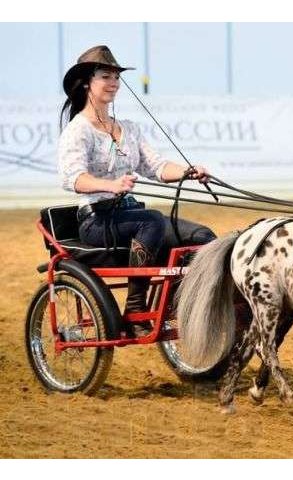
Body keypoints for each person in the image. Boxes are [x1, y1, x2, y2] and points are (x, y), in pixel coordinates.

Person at [58, 45, 216, 331]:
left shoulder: (128, 128)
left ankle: (175, 303)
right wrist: (111, 185)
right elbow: (73, 178)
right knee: (153, 221)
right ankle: (134, 308)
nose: (114, 82)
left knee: (203, 237)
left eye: (116, 77)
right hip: (97, 220)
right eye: (105, 76)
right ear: (86, 83)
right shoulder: (77, 130)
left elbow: (155, 167)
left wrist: (188, 172)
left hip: (132, 217)